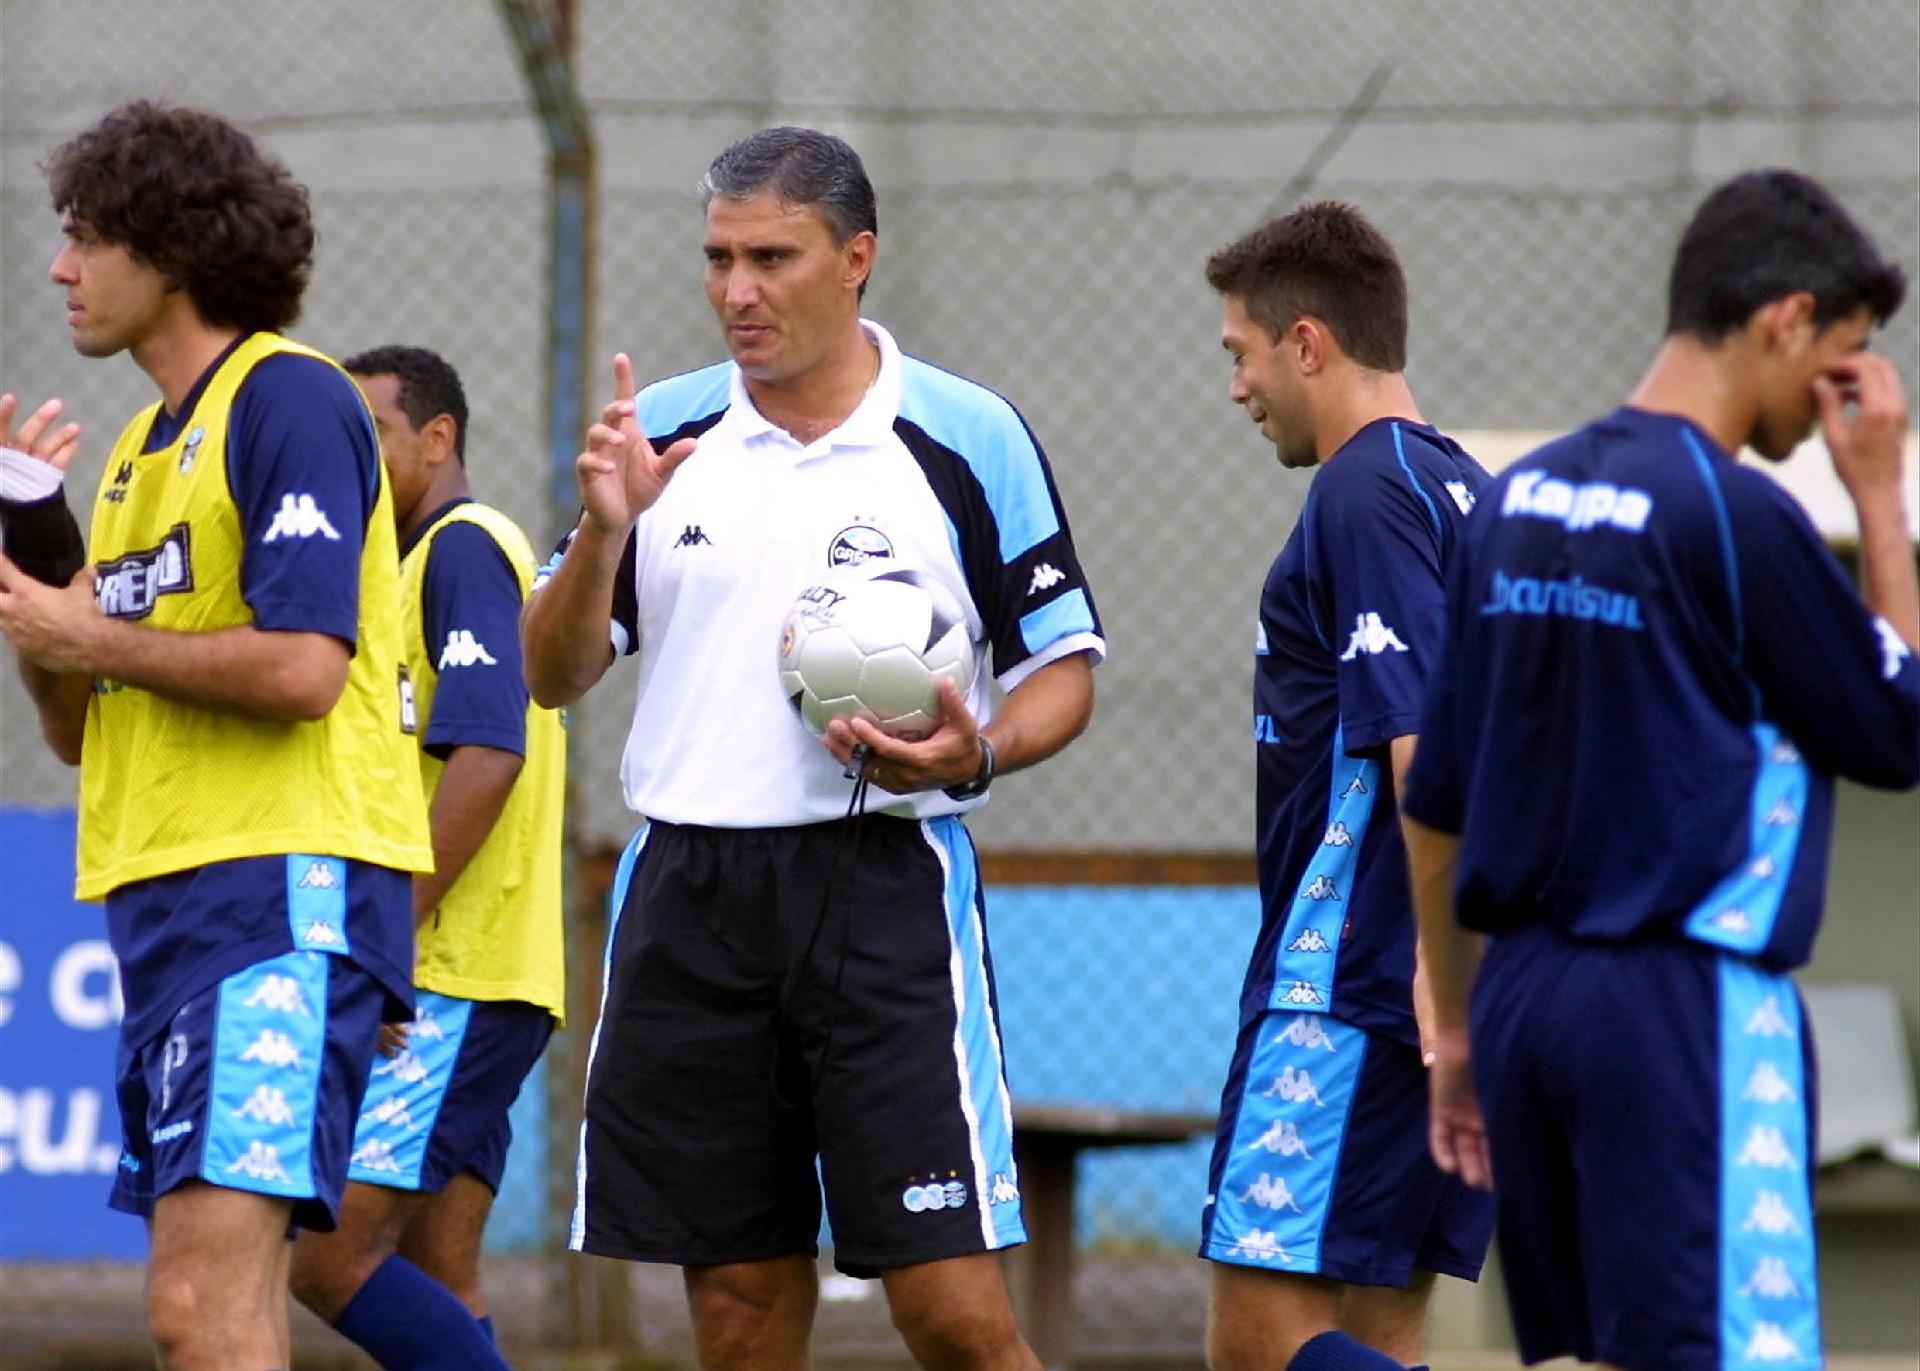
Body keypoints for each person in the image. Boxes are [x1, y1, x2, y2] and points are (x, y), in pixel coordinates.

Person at [522, 125, 1102, 1371]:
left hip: (883, 889)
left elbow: (1065, 670)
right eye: (719, 258)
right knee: (734, 1306)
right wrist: (602, 536)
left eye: (772, 257)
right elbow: (550, 670)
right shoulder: (658, 432)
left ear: (856, 259)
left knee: (950, 1311)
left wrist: (975, 754)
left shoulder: (965, 434)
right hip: (690, 891)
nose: (738, 290)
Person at [1401, 169, 1919, 1371]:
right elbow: (1899, 727)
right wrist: (1880, 496)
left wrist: (1462, 1032)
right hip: (1683, 1009)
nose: (1837, 395)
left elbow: (1436, 808)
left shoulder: (1516, 501)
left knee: (1582, 1359)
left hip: (1525, 1006)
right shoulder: (1734, 513)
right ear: (1786, 321)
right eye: (1841, 353)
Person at [0, 102, 438, 1371]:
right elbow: (82, 725)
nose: (59, 269)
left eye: (85, 238)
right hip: (175, 905)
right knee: (206, 1312)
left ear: (172, 252)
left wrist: (96, 639)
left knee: (204, 1311)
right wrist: (43, 581)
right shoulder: (140, 448)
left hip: (278, 893)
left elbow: (305, 668)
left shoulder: (289, 400)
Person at [1197, 203, 1495, 1371]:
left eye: (1242, 353)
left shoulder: (1362, 490)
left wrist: (1436, 965)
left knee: (1261, 1338)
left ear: (1307, 342)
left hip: (1357, 986)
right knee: (1378, 1333)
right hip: (1439, 984)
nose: (1237, 388)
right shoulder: (1466, 489)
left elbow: (1419, 745)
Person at [287, 346, 564, 1369]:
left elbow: (490, 754)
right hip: (464, 969)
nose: (353, 462)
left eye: (376, 436)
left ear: (438, 438)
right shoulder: (396, 568)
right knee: (441, 1271)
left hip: (450, 971)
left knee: (325, 1256)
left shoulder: (462, 547)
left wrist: (384, 945)